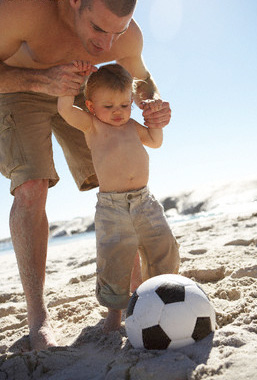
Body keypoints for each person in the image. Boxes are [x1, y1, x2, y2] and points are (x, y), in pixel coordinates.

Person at [0, 0, 172, 350]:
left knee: (116, 179)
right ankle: (39, 319)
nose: (107, 46)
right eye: (98, 29)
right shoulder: (21, 9)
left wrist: (151, 101)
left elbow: (142, 78)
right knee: (32, 187)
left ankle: (135, 297)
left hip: (84, 94)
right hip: (19, 88)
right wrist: (40, 78)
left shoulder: (126, 35)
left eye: (118, 32)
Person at [57, 62, 180, 333]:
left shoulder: (132, 126)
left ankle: (163, 292)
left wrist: (153, 121)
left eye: (124, 105)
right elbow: (65, 110)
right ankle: (115, 311)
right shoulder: (92, 126)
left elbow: (155, 141)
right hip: (112, 207)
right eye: (108, 106)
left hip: (144, 201)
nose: (117, 113)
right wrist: (73, 80)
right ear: (90, 106)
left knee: (162, 245)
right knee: (114, 258)